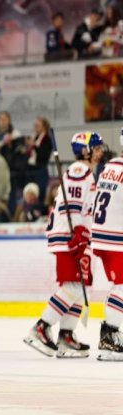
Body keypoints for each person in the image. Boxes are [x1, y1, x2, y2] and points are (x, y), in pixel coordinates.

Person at [24, 132, 103, 359]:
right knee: (74, 286)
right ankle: (41, 327)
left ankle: (66, 336)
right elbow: (73, 205)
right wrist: (77, 232)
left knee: (83, 287)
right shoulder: (80, 170)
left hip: (77, 236)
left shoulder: (84, 171)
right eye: (95, 147)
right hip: (70, 236)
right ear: (86, 150)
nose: (99, 151)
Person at [90, 135, 123, 361]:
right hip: (114, 237)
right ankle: (108, 337)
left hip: (102, 234)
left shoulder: (110, 166)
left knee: (119, 285)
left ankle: (111, 335)